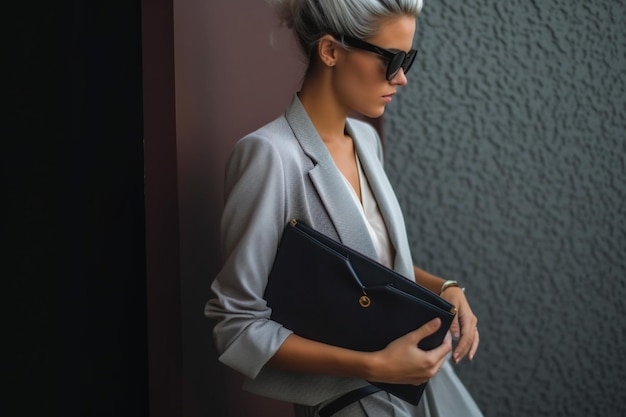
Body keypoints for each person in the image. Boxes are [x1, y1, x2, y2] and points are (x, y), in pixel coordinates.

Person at [205, 1, 483, 416]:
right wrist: (373, 365)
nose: (402, 77)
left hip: (428, 392)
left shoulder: (366, 141)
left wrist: (444, 287)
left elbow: (366, 271)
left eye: (408, 59)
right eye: (391, 60)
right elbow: (237, 325)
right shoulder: (270, 156)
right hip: (352, 404)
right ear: (331, 51)